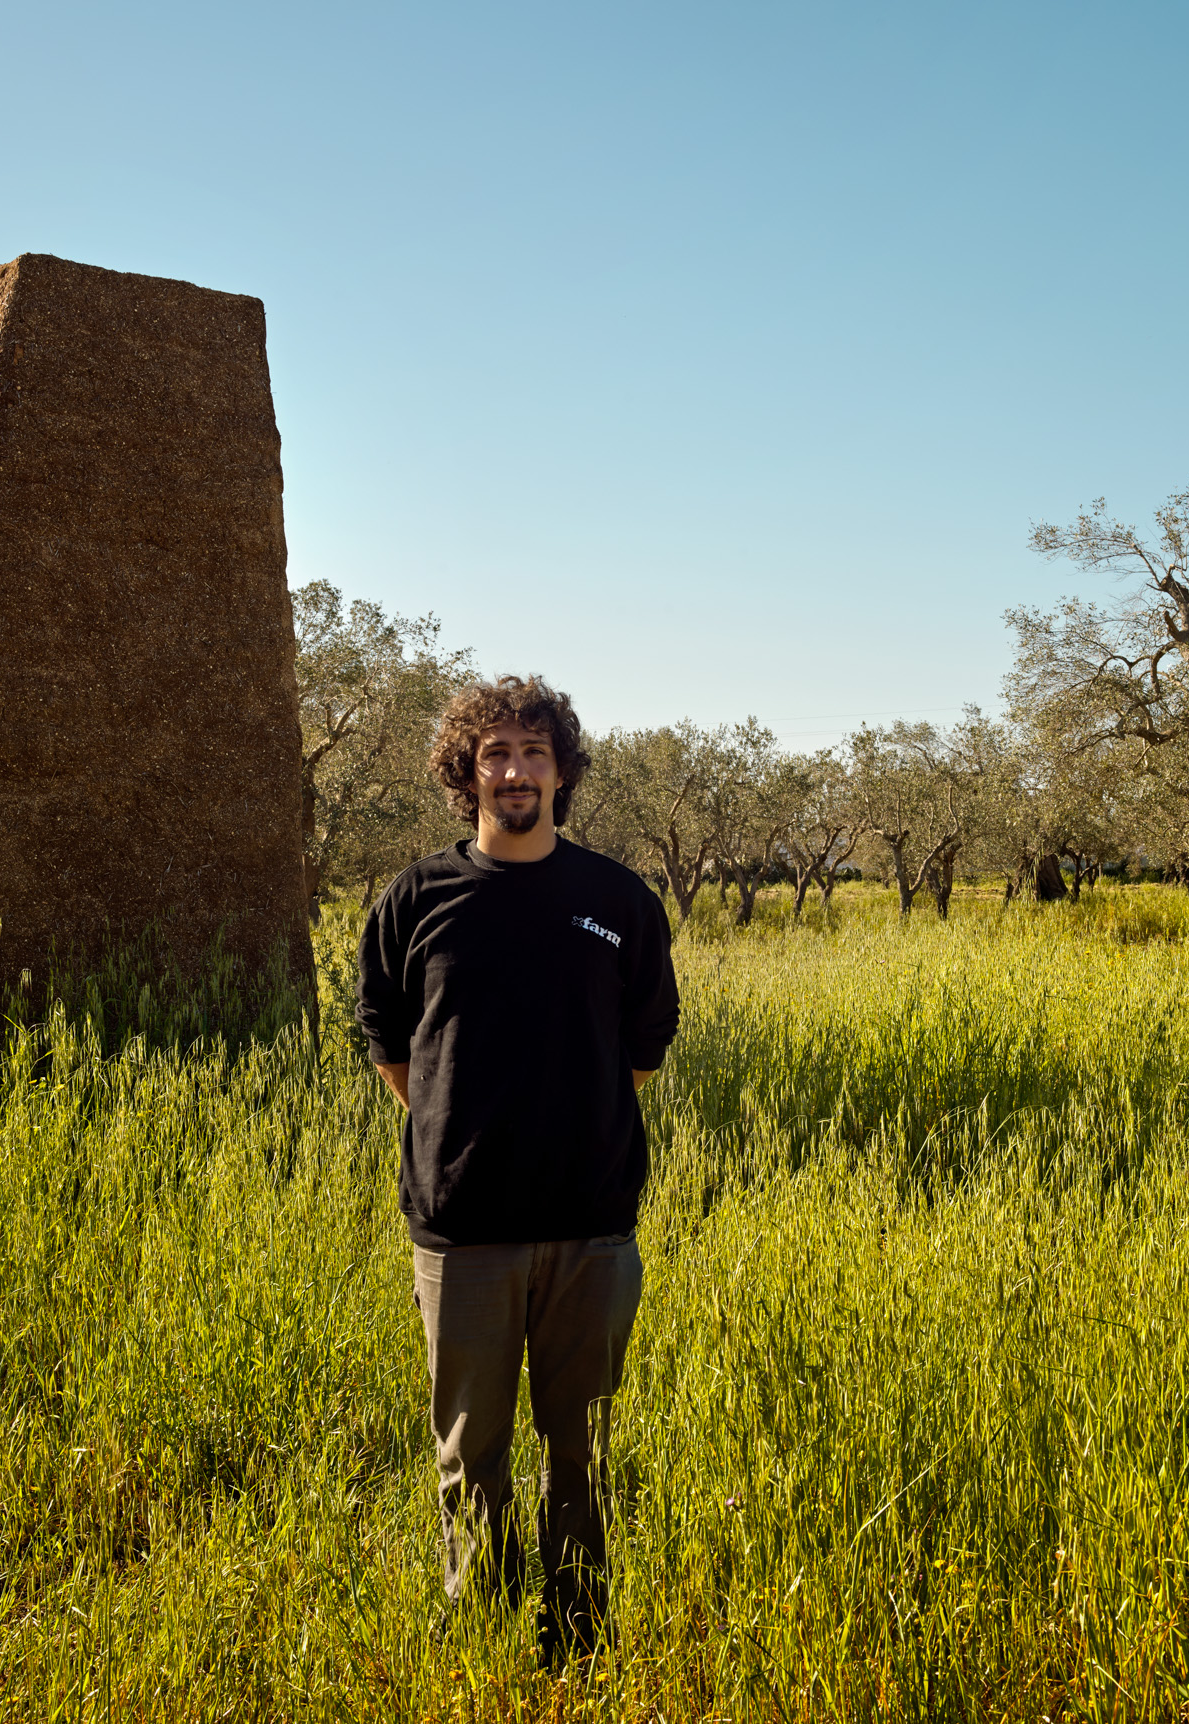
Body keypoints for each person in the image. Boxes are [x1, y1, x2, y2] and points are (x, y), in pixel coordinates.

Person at [355, 674, 680, 1670]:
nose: (514, 769)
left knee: (581, 1447)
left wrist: (563, 1120)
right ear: (466, 772)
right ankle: (485, 1633)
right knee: (469, 1454)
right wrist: (462, 1124)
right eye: (495, 752)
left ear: (560, 770)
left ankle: (575, 1635)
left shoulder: (618, 899)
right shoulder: (415, 896)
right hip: (463, 1229)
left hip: (590, 1223)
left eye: (533, 751)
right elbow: (389, 1040)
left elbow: (638, 1047)